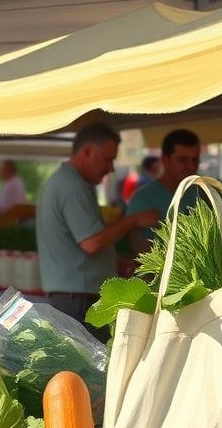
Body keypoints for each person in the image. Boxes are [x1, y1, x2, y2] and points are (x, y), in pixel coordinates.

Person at [36, 123, 159, 340]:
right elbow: (91, 242)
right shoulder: (71, 186)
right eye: (108, 159)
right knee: (89, 370)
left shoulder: (68, 183)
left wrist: (114, 261)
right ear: (87, 152)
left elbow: (79, 244)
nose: (110, 168)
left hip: (74, 299)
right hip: (78, 303)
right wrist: (135, 220)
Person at [125, 128, 202, 254]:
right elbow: (141, 257)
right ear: (166, 160)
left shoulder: (202, 193)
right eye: (182, 160)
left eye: (195, 160)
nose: (191, 166)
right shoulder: (143, 199)